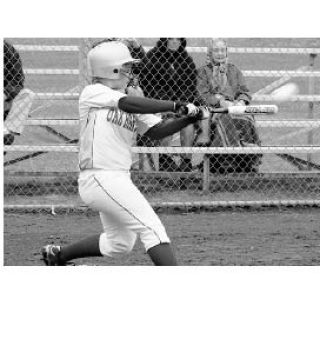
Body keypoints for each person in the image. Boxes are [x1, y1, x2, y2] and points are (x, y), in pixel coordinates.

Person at [41, 41, 207, 266]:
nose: (130, 72)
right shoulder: (94, 92)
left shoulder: (129, 98)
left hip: (118, 178)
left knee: (119, 244)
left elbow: (157, 131)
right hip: (100, 176)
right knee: (152, 229)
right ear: (111, 69)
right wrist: (176, 105)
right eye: (126, 67)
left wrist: (189, 118)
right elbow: (127, 103)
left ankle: (57, 255)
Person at [196, 38, 261, 173]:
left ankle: (247, 160)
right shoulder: (203, 71)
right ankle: (223, 160)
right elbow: (201, 95)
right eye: (216, 50)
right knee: (224, 118)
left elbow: (244, 92)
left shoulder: (233, 70)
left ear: (226, 52)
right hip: (213, 109)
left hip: (235, 107)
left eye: (222, 50)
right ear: (210, 53)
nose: (220, 53)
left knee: (247, 117)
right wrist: (220, 101)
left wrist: (241, 102)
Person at [139, 38, 198, 171]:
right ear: (165, 39)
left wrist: (182, 104)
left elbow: (190, 86)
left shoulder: (186, 59)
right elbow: (147, 85)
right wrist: (167, 104)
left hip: (181, 104)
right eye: (171, 38)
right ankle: (165, 161)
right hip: (159, 104)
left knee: (188, 123)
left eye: (178, 39)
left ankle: (186, 163)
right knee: (169, 121)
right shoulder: (152, 57)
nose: (174, 42)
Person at [3, 40, 34, 149]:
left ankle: (7, 131)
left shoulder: (7, 50)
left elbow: (17, 81)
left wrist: (5, 94)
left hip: (5, 100)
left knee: (27, 94)